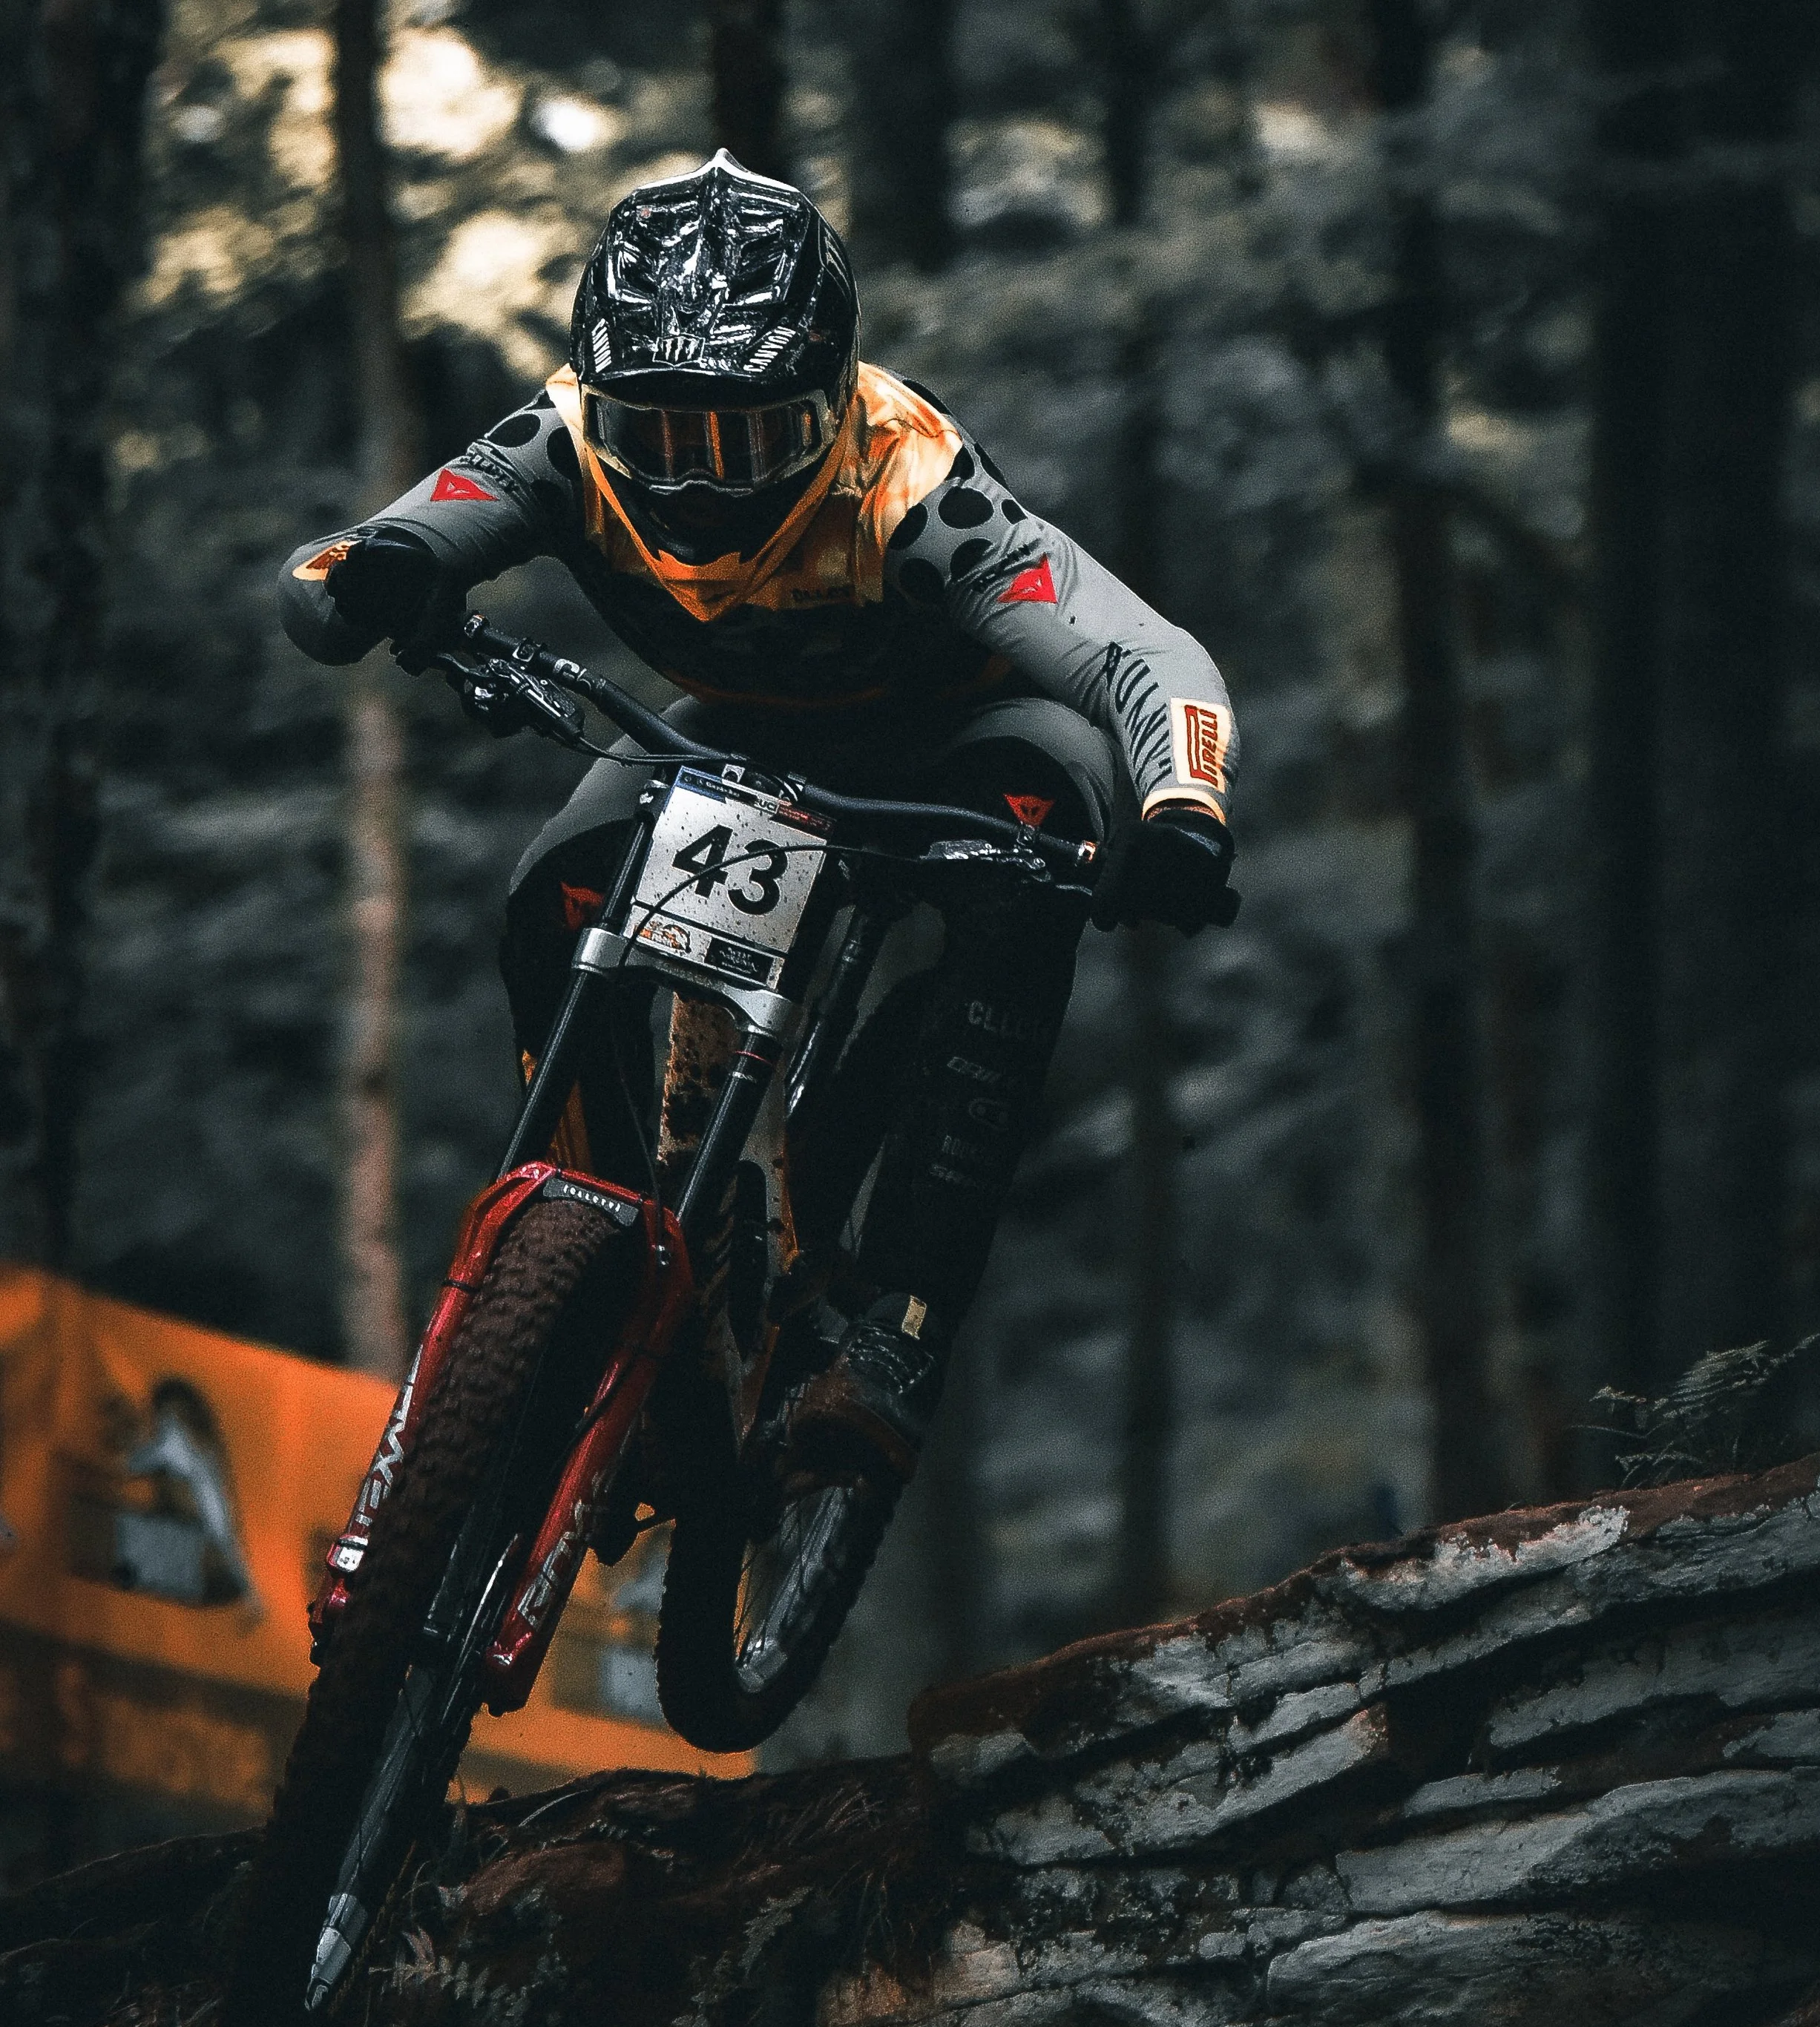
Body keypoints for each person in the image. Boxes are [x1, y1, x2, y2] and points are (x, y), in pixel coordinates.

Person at [278, 148, 1236, 1502]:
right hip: (741, 720)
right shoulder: (555, 441)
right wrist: (386, 579)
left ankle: (900, 1328)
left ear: (833, 404)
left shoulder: (917, 488)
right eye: (660, 437)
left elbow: (1147, 655)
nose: (701, 482)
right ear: (599, 403)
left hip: (972, 736)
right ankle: (587, 1253)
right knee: (552, 892)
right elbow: (326, 572)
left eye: (747, 438)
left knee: (1021, 905)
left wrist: (1182, 807)